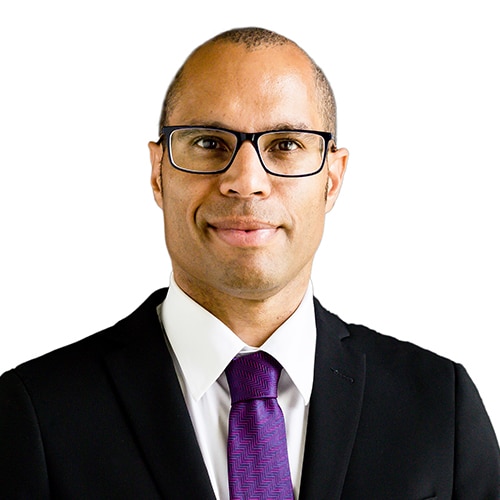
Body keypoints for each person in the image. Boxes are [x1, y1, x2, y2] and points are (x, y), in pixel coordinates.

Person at [1, 26, 499, 499]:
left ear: (332, 178)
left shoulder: (439, 405)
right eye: (209, 143)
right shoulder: (35, 414)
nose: (246, 180)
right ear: (158, 173)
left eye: (284, 145)